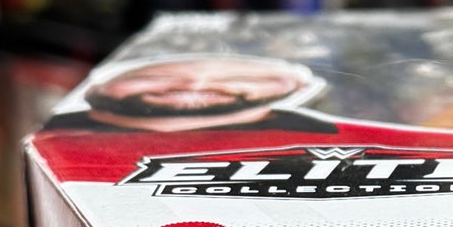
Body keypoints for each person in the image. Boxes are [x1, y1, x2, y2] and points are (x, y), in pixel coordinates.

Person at [46, 54, 338, 134]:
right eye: (152, 78)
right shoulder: (55, 137)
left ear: (298, 87)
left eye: (243, 79)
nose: (195, 86)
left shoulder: (328, 138)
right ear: (95, 86)